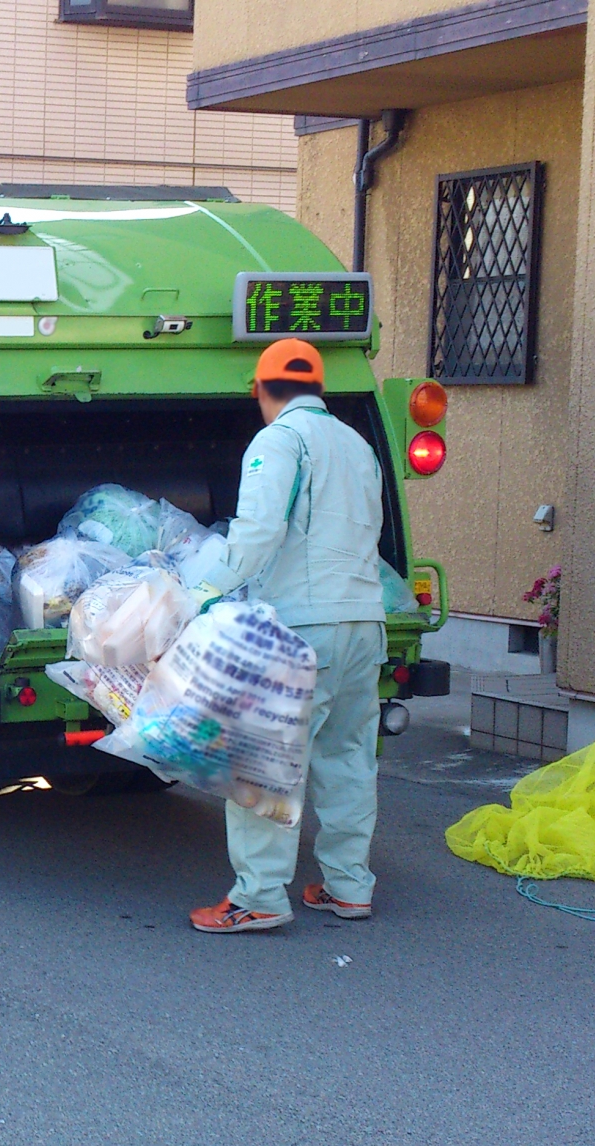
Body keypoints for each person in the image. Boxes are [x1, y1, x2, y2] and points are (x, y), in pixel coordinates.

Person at [188, 338, 387, 934]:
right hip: (363, 622)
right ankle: (348, 886)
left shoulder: (279, 440)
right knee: (349, 756)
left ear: (260, 390)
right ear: (319, 389)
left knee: (264, 765)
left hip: (304, 627)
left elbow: (256, 532)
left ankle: (261, 898)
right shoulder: (358, 445)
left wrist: (204, 593)